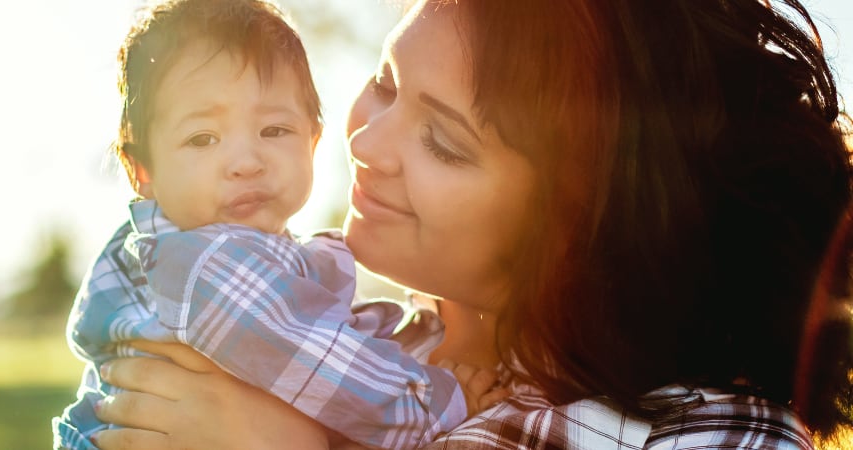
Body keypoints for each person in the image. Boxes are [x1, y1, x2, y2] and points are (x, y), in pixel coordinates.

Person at [87, 0, 853, 448]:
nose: (364, 142)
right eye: (385, 83)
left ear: (575, 227)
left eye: (444, 143)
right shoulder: (367, 341)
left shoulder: (701, 427)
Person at [52, 1, 506, 449]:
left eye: (274, 131)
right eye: (202, 139)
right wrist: (438, 401)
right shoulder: (202, 263)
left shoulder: (237, 253)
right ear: (143, 173)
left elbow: (325, 337)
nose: (246, 162)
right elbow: (325, 367)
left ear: (313, 140)